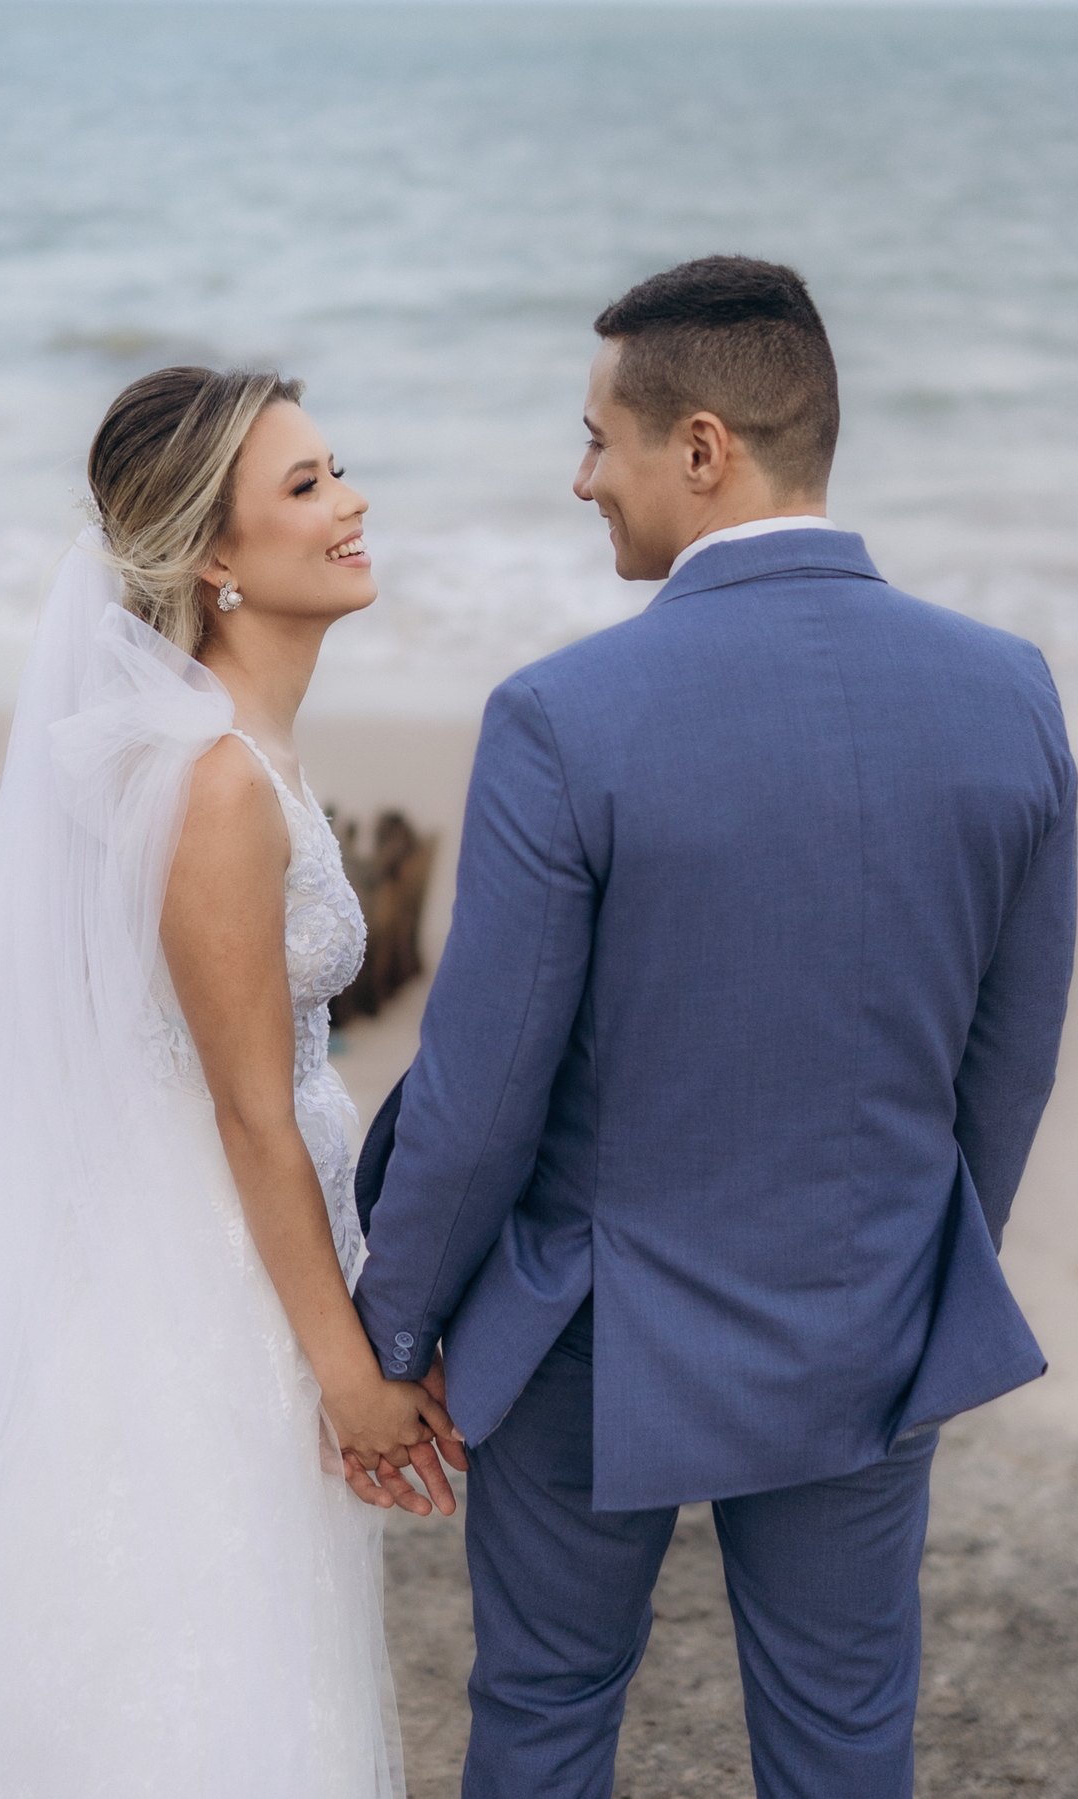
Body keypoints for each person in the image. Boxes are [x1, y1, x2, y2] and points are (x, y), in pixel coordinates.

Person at [352, 257, 1077, 1798]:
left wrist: (395, 1332)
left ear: (699, 448)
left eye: (598, 438)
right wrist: (921, 1250)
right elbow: (1013, 1050)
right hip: (868, 1307)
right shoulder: (1015, 694)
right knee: (843, 1740)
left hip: (589, 1331)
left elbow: (484, 1092)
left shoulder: (566, 715)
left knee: (545, 1713)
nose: (579, 478)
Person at [0, 366, 463, 1797]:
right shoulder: (212, 781)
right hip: (193, 1284)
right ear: (215, 556)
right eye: (310, 485)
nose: (353, 501)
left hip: (210, 1248)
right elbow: (249, 1107)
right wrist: (348, 1374)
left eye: (341, 468)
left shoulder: (233, 750)